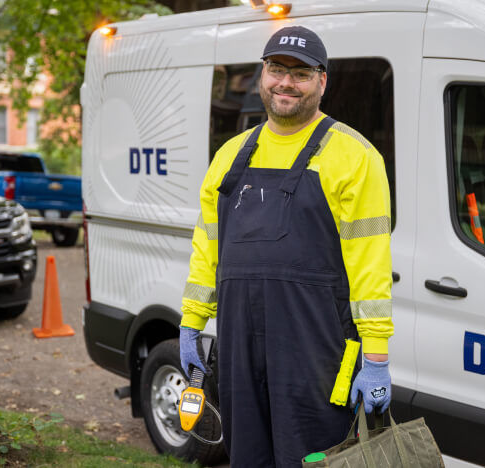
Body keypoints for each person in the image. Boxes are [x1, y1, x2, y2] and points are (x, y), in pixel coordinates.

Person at [179, 25, 393, 467]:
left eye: (301, 73)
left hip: (316, 350)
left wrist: (375, 357)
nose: (286, 83)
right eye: (277, 69)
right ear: (263, 75)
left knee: (313, 458)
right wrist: (191, 322)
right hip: (239, 345)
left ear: (322, 81)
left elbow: (370, 265)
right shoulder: (231, 156)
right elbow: (207, 249)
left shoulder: (355, 156)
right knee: (247, 457)